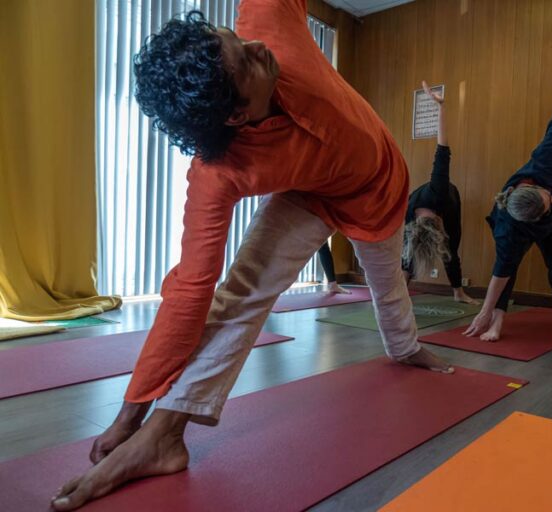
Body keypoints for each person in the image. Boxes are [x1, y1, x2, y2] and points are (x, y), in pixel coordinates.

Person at [51, 3, 453, 510]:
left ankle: (404, 347)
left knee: (388, 286)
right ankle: (163, 435)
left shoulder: (266, 23)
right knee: (240, 291)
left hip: (380, 190)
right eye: (247, 62)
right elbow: (190, 291)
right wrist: (130, 414)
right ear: (237, 114)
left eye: (234, 40)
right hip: (308, 196)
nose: (258, 49)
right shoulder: (219, 173)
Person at [463, 48, 552, 343]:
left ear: (537, 187)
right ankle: (497, 322)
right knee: (509, 264)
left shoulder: (546, 160)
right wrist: (485, 312)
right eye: (549, 205)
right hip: (519, 227)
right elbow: (500, 273)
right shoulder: (509, 229)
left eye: (549, 198)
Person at [402, 81, 478, 305]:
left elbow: (442, 148)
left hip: (450, 202)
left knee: (451, 248)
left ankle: (458, 292)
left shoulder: (440, 190)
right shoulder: (407, 215)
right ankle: (402, 291)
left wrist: (441, 107)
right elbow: (407, 255)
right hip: (422, 209)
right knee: (410, 248)